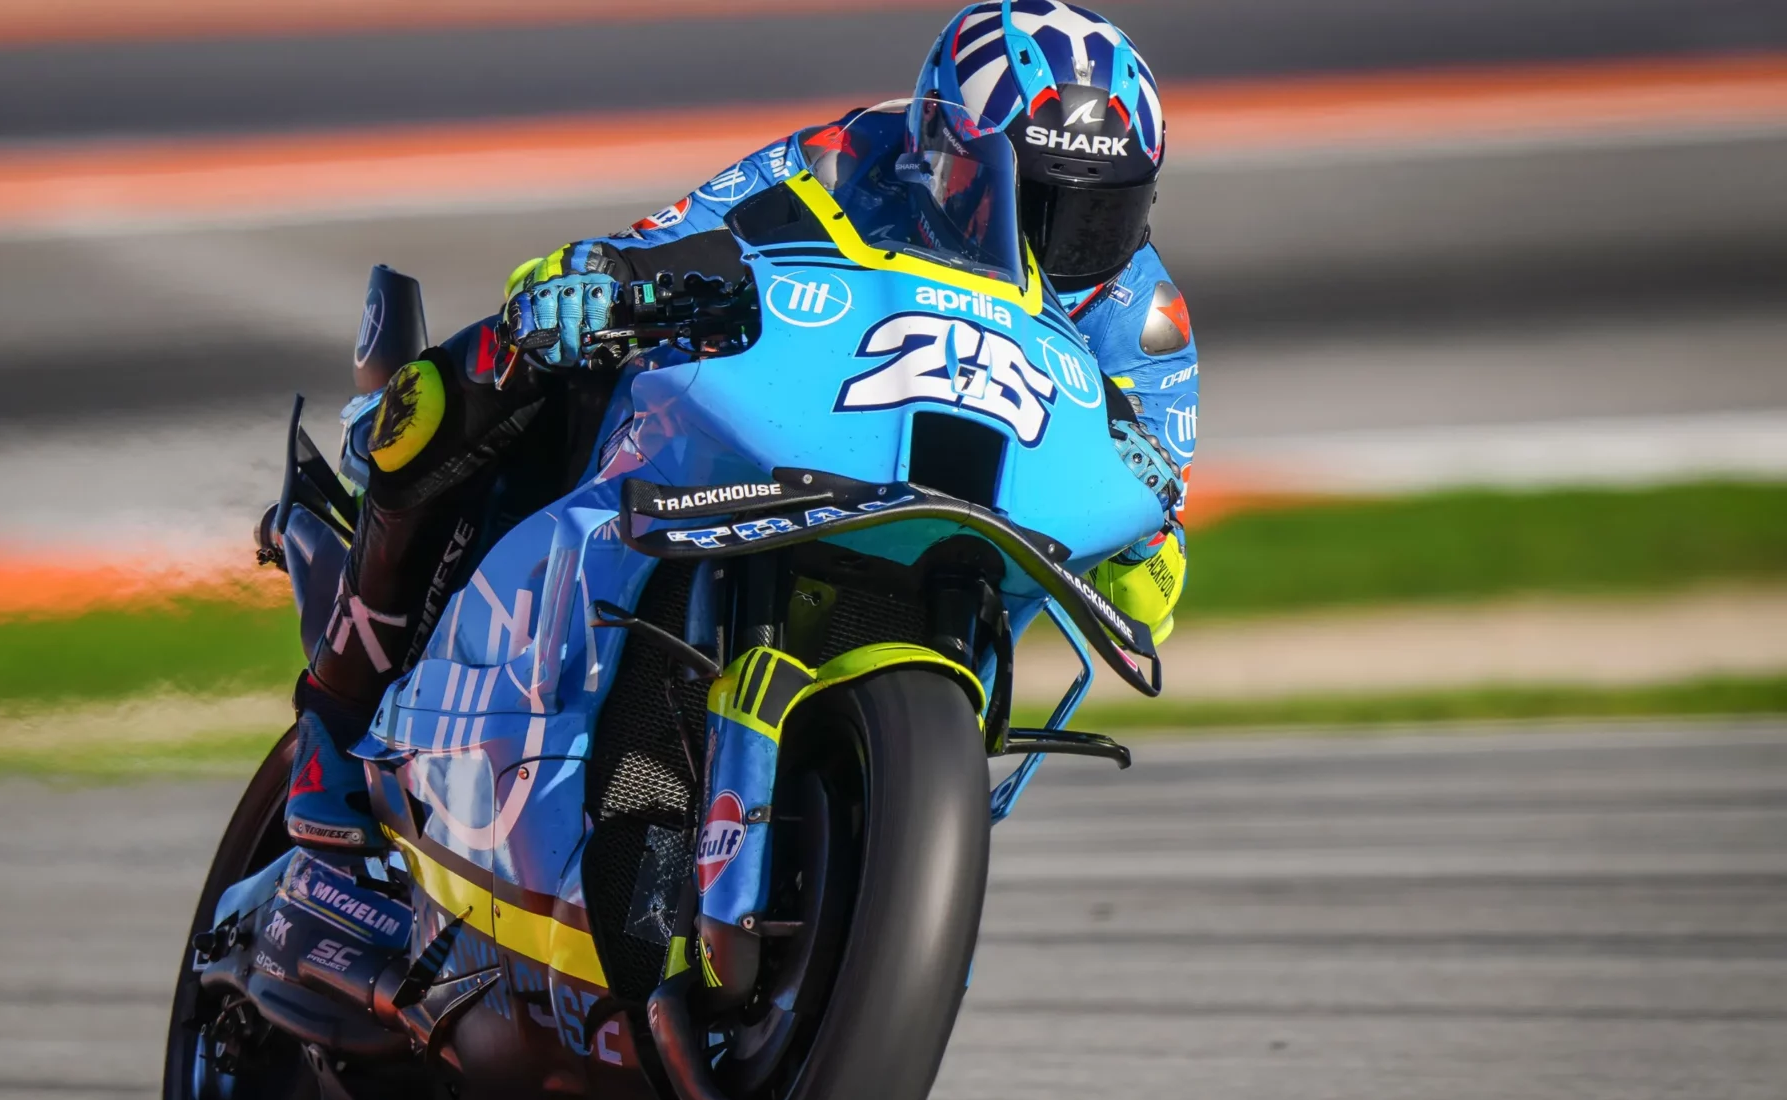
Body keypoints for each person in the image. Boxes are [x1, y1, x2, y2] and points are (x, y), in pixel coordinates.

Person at [283, 0, 1198, 852]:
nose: (1060, 247)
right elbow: (659, 244)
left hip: (955, 571)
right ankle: (337, 718)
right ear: (943, 151)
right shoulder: (848, 160)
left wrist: (1147, 535)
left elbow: (1154, 570)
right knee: (502, 363)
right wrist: (597, 282)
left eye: (1101, 216)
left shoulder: (1143, 320)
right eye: (1030, 203)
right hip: (795, 461)